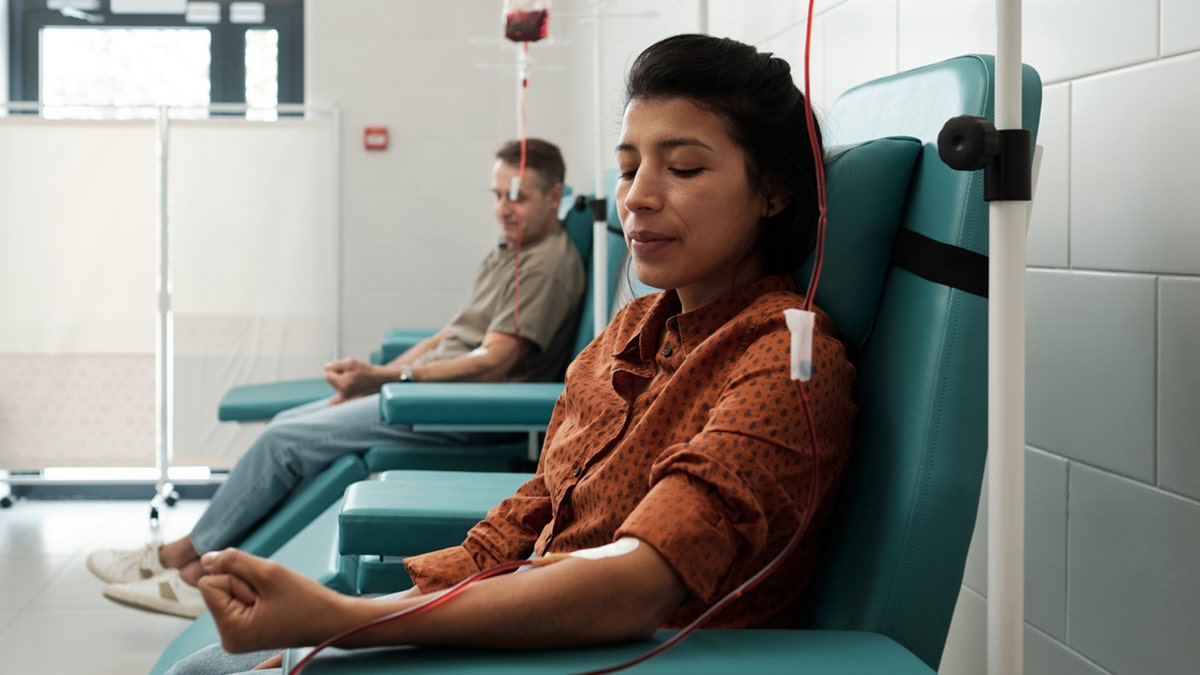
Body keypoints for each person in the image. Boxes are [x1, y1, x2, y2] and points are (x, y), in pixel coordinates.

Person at [165, 33, 857, 674]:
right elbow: (540, 503)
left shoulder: (784, 362)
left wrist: (351, 621)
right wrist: (404, 599)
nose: (637, 198)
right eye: (627, 167)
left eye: (681, 167)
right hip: (532, 628)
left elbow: (638, 584)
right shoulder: (628, 334)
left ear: (773, 190)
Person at [87, 138, 587, 619]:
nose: (503, 206)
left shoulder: (545, 267)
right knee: (286, 426)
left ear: (554, 197)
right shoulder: (511, 250)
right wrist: (383, 377)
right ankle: (202, 570)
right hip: (423, 395)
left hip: (460, 412)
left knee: (285, 441)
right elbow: (451, 334)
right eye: (497, 195)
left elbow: (492, 362)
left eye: (517, 196)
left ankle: (180, 559)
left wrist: (389, 381)